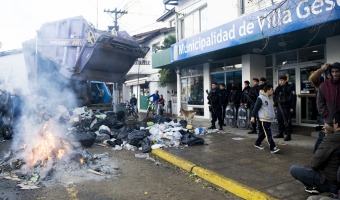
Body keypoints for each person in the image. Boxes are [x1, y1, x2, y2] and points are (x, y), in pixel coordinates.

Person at [290, 111, 340, 196]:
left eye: (334, 123)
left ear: (337, 124)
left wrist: (327, 136)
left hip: (331, 183)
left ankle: (314, 187)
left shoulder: (331, 139)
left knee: (294, 169)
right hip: (336, 178)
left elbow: (314, 163)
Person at [251, 84, 280, 154]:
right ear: (268, 90)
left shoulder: (270, 97)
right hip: (264, 119)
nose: (273, 91)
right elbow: (255, 108)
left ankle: (257, 143)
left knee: (264, 133)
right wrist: (252, 116)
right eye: (271, 90)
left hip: (269, 118)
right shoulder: (260, 98)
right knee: (268, 133)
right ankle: (273, 148)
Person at [273, 75, 296, 141]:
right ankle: (280, 133)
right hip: (279, 106)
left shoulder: (289, 87)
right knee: (279, 120)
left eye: (282, 80)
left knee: (287, 120)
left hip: (286, 106)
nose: (281, 82)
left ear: (286, 81)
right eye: (280, 80)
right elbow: (275, 96)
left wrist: (292, 107)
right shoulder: (278, 88)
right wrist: (275, 103)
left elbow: (293, 98)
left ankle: (288, 135)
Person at [317, 62, 340, 129]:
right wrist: (326, 114)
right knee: (328, 139)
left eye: (337, 71)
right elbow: (320, 102)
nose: (334, 74)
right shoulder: (324, 85)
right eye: (332, 72)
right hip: (329, 120)